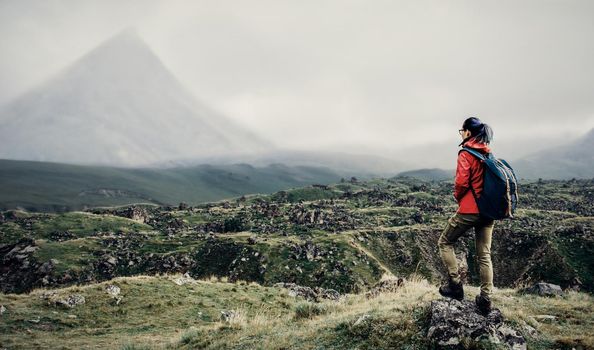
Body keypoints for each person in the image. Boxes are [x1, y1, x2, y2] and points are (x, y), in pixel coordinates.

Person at [437, 116, 495, 314]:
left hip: (471, 209)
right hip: (489, 211)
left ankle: (455, 285)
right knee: (484, 255)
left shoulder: (466, 153)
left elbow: (461, 182)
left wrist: (458, 197)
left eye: (462, 131)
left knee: (445, 242)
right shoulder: (487, 153)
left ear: (468, 132)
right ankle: (486, 298)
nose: (461, 134)